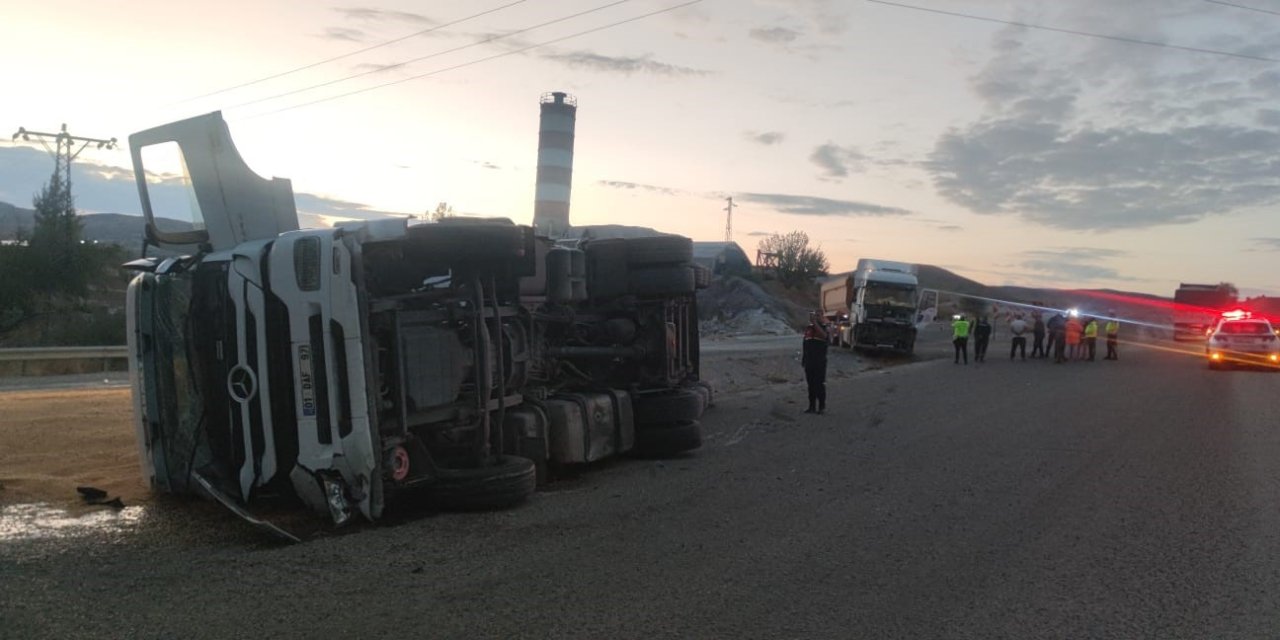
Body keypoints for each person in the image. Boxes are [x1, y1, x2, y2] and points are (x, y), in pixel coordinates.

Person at [801, 311, 829, 414]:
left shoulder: (824, 328)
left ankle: (821, 407)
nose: (815, 317)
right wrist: (804, 359)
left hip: (819, 362)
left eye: (818, 316)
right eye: (814, 315)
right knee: (810, 385)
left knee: (819, 385)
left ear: (822, 317)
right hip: (809, 361)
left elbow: (824, 336)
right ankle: (811, 406)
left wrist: (815, 323)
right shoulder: (809, 329)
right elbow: (805, 344)